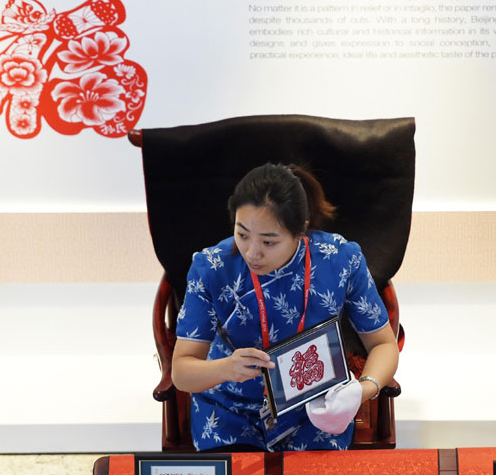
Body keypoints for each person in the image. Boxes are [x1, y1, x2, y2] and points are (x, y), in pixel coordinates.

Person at [171, 163, 399, 451]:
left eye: (269, 241)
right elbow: (181, 371)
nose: (252, 252)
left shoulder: (340, 259)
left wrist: (360, 391)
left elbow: (383, 344)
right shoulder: (212, 267)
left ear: (301, 230)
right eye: (242, 234)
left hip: (316, 406)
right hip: (230, 408)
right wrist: (227, 368)